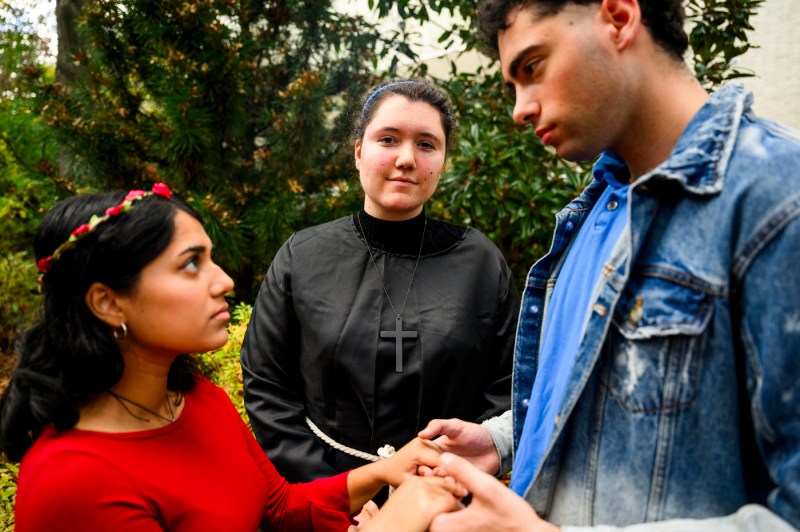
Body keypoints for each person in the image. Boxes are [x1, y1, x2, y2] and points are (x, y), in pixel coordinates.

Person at [417, 0, 800, 530]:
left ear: (618, 18)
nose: (520, 109)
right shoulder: (596, 209)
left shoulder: (780, 199)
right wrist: (504, 441)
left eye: (533, 68)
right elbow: (605, 392)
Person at [0, 183, 459, 531]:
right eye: (190, 264)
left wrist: (387, 469)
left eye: (211, 258)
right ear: (108, 302)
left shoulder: (198, 400)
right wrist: (395, 522)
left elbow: (277, 508)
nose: (223, 281)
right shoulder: (75, 480)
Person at [240, 77, 519, 499]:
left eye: (427, 145)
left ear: (442, 160)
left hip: (444, 500)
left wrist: (440, 485)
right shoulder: (303, 255)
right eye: (388, 139)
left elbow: (508, 386)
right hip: (326, 500)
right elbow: (268, 385)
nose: (406, 158)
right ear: (358, 152)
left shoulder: (480, 262)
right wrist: (335, 496)